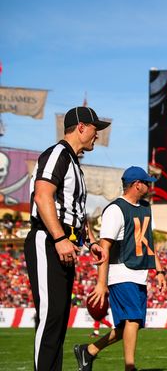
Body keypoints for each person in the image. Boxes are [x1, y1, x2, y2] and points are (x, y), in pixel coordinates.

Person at [25, 106, 109, 371]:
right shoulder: (57, 154)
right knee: (50, 318)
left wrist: (91, 241)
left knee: (59, 320)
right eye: (95, 129)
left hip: (63, 242)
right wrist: (59, 237)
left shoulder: (74, 163)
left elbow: (76, 213)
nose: (97, 135)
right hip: (48, 240)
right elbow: (42, 195)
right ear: (81, 127)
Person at [73, 166, 167, 371]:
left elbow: (147, 242)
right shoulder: (115, 209)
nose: (150, 185)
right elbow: (103, 247)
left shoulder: (145, 207)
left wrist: (158, 270)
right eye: (147, 182)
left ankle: (88, 351)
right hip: (121, 272)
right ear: (137, 185)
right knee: (132, 320)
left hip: (139, 273)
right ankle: (130, 367)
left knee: (126, 326)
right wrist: (101, 283)